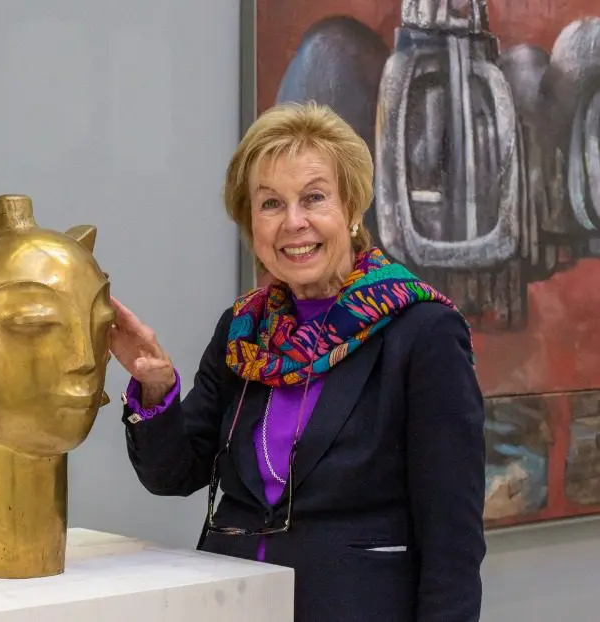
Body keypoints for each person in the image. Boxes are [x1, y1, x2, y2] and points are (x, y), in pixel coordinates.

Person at [109, 102, 486, 622]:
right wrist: (155, 386)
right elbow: (174, 474)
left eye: (314, 197)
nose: (293, 222)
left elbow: (453, 538)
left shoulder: (422, 332)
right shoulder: (244, 330)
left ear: (351, 208)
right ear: (251, 224)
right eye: (270, 203)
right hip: (235, 607)